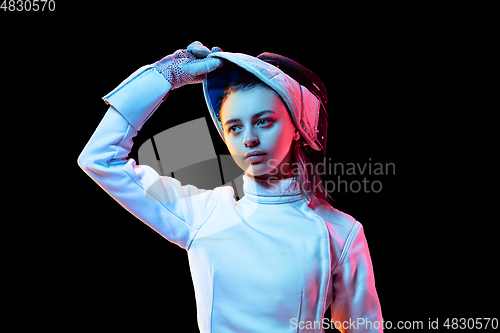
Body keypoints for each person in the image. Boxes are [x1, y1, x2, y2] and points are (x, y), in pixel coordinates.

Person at [78, 41, 382, 333]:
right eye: (234, 127)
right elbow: (100, 159)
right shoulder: (204, 215)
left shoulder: (340, 233)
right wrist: (164, 78)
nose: (248, 138)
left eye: (264, 121)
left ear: (296, 126)